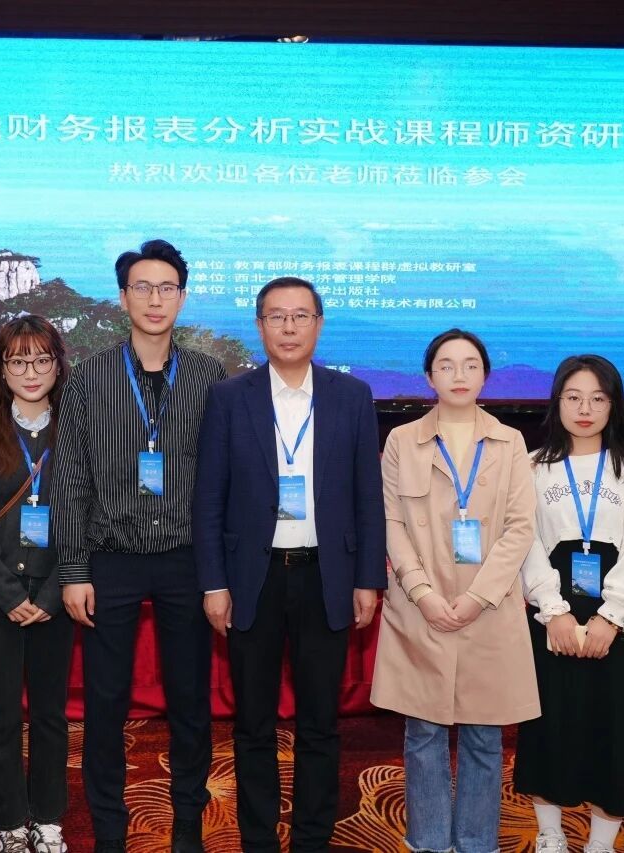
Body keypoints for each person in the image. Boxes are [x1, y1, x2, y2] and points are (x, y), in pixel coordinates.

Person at [192, 276, 386, 852]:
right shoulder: (230, 397)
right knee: (253, 723)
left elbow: (367, 495)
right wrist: (214, 583)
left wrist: (367, 579)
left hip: (327, 577)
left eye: (301, 316)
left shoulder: (351, 396)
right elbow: (209, 498)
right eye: (276, 316)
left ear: (319, 325)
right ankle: (258, 840)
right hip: (252, 581)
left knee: (320, 723)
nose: (289, 327)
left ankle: (311, 839)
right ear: (259, 326)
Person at [52, 239, 227, 852]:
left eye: (167, 288)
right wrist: (74, 569)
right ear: (123, 297)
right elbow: (70, 479)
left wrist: (219, 573)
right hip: (111, 559)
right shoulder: (91, 376)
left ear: (182, 297)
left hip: (187, 560)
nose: (155, 299)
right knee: (104, 704)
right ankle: (109, 831)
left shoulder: (208, 376)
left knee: (190, 702)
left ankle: (187, 829)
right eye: (143, 288)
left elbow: (223, 480)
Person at [371, 328, 539, 853]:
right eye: (446, 365)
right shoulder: (401, 441)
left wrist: (477, 597)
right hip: (421, 606)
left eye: (470, 365)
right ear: (429, 376)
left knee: (485, 739)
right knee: (422, 735)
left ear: (485, 375)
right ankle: (427, 841)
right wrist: (422, 592)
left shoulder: (510, 442)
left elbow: (520, 527)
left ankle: (475, 842)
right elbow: (390, 521)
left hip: (488, 607)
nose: (459, 375)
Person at [513, 355, 624, 853]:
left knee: (613, 729)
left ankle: (600, 842)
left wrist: (610, 618)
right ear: (557, 402)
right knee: (548, 726)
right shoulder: (534, 466)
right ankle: (550, 834)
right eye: (573, 397)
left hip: (616, 620)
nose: (585, 409)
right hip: (550, 614)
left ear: (614, 405)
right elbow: (526, 540)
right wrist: (552, 611)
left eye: (598, 398)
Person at [0, 316, 74, 853]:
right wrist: (7, 594)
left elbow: (84, 517)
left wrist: (50, 594)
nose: (31, 371)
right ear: (2, 370)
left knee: (51, 714)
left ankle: (48, 816)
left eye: (41, 359)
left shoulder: (76, 430)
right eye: (18, 361)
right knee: (2, 715)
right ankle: (8, 820)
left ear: (58, 365)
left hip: (56, 597)